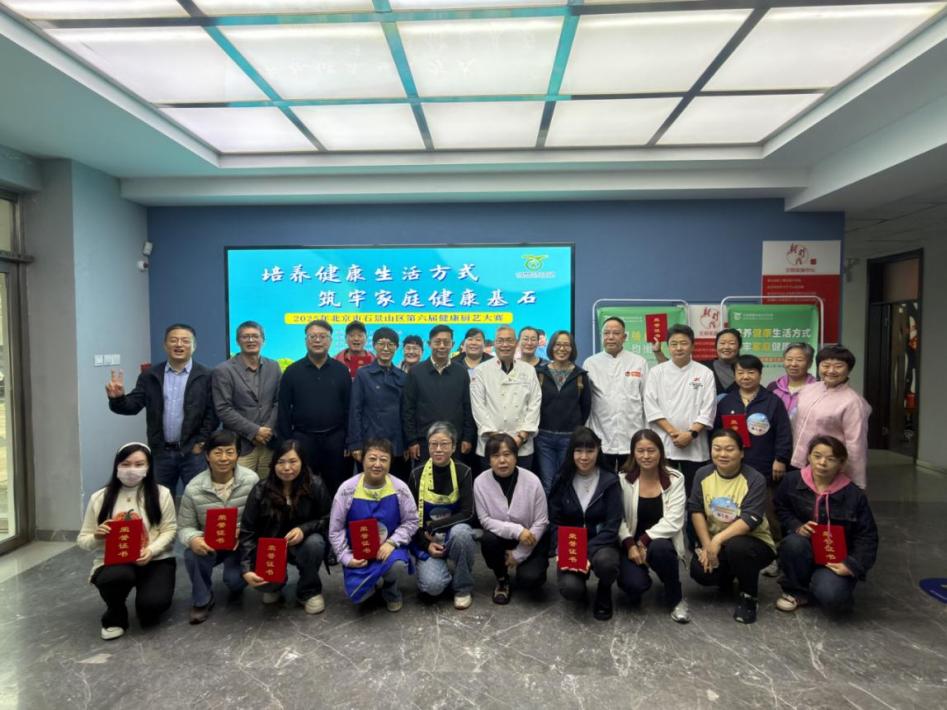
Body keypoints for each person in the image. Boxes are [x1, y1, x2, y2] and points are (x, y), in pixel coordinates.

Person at [77, 442, 177, 640]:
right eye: (126, 464)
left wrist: (152, 550)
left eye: (139, 464)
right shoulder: (100, 498)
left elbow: (170, 530)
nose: (132, 470)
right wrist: (97, 536)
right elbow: (82, 539)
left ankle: (148, 596)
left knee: (151, 609)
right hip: (116, 562)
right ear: (117, 466)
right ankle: (115, 614)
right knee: (114, 578)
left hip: (154, 560)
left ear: (148, 467)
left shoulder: (162, 494)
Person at [773, 435, 878, 614]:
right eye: (817, 456)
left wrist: (852, 565)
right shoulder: (791, 480)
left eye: (831, 459)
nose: (822, 463)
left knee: (833, 598)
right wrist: (797, 525)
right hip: (803, 549)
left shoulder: (853, 495)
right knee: (793, 543)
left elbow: (867, 536)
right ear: (808, 457)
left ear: (841, 463)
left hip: (835, 558)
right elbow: (780, 507)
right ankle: (796, 590)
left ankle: (822, 582)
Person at [106, 323, 216, 491]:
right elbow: (133, 406)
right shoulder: (150, 375)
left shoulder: (207, 375)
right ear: (165, 345)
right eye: (174, 340)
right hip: (161, 452)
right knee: (158, 498)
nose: (179, 344)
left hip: (193, 453)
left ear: (194, 346)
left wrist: (200, 443)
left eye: (185, 341)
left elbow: (212, 413)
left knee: (199, 496)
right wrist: (118, 398)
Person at [715, 354, 792, 576]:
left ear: (759, 374)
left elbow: (784, 432)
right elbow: (718, 433)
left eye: (751, 372)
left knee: (768, 511)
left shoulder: (772, 401)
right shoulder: (727, 402)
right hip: (733, 467)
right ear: (735, 375)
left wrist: (781, 458)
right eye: (740, 372)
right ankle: (734, 549)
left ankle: (774, 555)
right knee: (733, 509)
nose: (745, 377)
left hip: (763, 464)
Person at [688, 429, 776, 624]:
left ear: (741, 452)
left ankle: (749, 596)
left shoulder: (755, 479)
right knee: (700, 572)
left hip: (753, 543)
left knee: (737, 547)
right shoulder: (702, 474)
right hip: (717, 542)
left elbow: (750, 519)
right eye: (717, 448)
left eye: (729, 449)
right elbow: (696, 510)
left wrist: (717, 540)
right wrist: (707, 545)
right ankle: (728, 577)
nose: (722, 454)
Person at [238, 439, 332, 614]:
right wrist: (246, 568)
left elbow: (328, 518)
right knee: (266, 587)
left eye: (293, 461)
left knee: (315, 543)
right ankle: (275, 585)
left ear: (302, 462)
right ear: (273, 464)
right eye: (281, 462)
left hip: (302, 545)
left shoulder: (315, 484)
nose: (287, 468)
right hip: (271, 549)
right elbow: (247, 530)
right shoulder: (260, 489)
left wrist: (304, 529)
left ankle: (308, 591)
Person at [178, 429, 258, 623]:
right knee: (191, 554)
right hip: (209, 544)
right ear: (207, 455)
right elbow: (185, 526)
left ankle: (236, 579)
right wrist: (193, 538)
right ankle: (202, 599)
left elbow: (260, 518)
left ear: (237, 455)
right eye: (217, 452)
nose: (224, 458)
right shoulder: (194, 488)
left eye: (230, 452)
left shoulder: (251, 480)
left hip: (239, 545)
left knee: (235, 582)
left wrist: (243, 531)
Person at [329, 439, 419, 611]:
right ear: (362, 460)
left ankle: (390, 588)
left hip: (389, 550)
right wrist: (346, 557)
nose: (377, 464)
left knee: (397, 566)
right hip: (358, 553)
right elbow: (335, 530)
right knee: (360, 596)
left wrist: (392, 542)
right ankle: (374, 583)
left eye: (383, 459)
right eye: (372, 458)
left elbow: (412, 521)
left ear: (390, 462)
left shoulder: (400, 488)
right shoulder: (346, 490)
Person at [548, 426, 622, 621]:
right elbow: (554, 520)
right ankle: (580, 585)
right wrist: (560, 547)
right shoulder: (562, 479)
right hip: (571, 544)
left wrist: (586, 552)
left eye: (590, 451)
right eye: (579, 451)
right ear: (571, 452)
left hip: (602, 543)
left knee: (607, 563)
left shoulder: (610, 481)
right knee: (571, 589)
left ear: (598, 451)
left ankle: (604, 590)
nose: (584, 457)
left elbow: (613, 525)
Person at [617, 430, 689, 623]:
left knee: (660, 549)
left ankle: (676, 598)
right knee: (633, 586)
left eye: (651, 450)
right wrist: (631, 544)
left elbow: (674, 520)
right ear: (633, 453)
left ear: (661, 452)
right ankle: (641, 577)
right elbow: (618, 518)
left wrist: (644, 540)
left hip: (660, 541)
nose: (646, 456)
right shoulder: (623, 479)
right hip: (630, 542)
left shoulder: (675, 478)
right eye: (640, 451)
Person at [277, 319, 351, 495]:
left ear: (330, 340)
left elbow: (349, 408)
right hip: (303, 439)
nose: (318, 340)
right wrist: (287, 444)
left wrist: (349, 440)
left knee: (336, 487)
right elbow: (284, 410)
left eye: (323, 336)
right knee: (304, 488)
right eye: (313, 336)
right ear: (306, 340)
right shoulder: (292, 371)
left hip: (336, 439)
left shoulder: (341, 370)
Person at [473, 434, 549, 604]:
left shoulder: (532, 481)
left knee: (530, 579)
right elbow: (484, 520)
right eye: (495, 456)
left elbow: (541, 521)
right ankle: (501, 579)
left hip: (531, 539)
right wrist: (517, 531)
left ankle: (525, 567)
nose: (502, 460)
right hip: (502, 537)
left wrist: (519, 554)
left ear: (516, 456)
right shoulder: (480, 482)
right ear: (488, 460)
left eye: (507, 454)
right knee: (488, 539)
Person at [407, 422, 477, 610]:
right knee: (433, 586)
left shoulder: (463, 471)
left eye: (444, 444)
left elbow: (468, 513)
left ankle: (462, 587)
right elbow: (410, 519)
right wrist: (425, 544)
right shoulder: (416, 474)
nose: (438, 449)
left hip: (453, 534)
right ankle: (441, 573)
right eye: (433, 444)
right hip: (428, 539)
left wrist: (436, 525)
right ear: (428, 446)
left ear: (453, 447)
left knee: (462, 534)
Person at [643, 324, 716, 499]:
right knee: (665, 493)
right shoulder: (656, 372)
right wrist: (673, 432)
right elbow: (651, 406)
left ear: (692, 346)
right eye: (674, 344)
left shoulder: (705, 373)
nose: (678, 348)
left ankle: (692, 519)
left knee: (695, 495)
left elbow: (709, 408)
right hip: (666, 443)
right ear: (668, 346)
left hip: (695, 445)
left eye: (683, 343)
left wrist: (691, 434)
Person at [791, 345, 871, 489]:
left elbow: (856, 445)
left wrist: (855, 482)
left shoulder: (853, 402)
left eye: (838, 366)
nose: (831, 371)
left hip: (828, 467)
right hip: (800, 461)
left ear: (849, 369)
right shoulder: (808, 390)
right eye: (826, 365)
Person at [212, 320, 281, 478]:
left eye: (255, 336)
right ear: (237, 341)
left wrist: (266, 431)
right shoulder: (223, 370)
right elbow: (223, 409)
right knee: (240, 488)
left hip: (269, 444)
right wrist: (255, 431)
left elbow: (279, 402)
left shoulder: (274, 366)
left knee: (268, 488)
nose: (251, 340)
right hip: (241, 445)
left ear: (263, 340)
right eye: (245, 337)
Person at [470, 325, 542, 471]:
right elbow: (478, 407)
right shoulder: (481, 371)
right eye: (500, 341)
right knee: (490, 484)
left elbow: (535, 404)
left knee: (523, 483)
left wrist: (521, 437)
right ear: (494, 344)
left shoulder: (528, 370)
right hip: (491, 444)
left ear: (516, 343)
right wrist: (496, 438)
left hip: (521, 444)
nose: (505, 345)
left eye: (509, 340)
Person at [584, 316, 648, 473]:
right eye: (606, 333)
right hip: (602, 436)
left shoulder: (639, 362)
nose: (610, 337)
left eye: (616, 333)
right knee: (604, 481)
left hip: (632, 435)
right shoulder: (590, 363)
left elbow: (646, 400)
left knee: (632, 481)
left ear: (624, 337)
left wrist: (646, 434)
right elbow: (586, 402)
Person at [534, 330, 591, 493]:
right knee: (548, 483)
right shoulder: (540, 374)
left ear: (572, 349)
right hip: (544, 437)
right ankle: (549, 511)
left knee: (567, 482)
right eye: (558, 344)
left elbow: (586, 407)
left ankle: (565, 511)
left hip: (569, 438)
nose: (562, 348)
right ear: (551, 347)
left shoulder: (580, 375)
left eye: (566, 345)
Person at [348, 327, 408, 479]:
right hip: (370, 440)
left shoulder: (402, 376)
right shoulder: (363, 374)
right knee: (369, 485)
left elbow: (406, 412)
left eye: (391, 344)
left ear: (396, 347)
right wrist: (355, 443)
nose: (386, 348)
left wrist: (407, 443)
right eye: (381, 344)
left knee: (395, 485)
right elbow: (355, 410)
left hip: (396, 444)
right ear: (374, 345)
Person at [654, 327, 741, 396]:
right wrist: (658, 352)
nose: (726, 347)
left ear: (739, 346)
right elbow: (673, 367)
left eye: (732, 343)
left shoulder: (746, 366)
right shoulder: (704, 367)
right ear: (716, 346)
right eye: (722, 343)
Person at [767, 342, 816, 418]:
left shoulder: (817, 388)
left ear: (810, 363)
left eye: (799, 360)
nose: (793, 364)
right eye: (789, 359)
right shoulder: (773, 387)